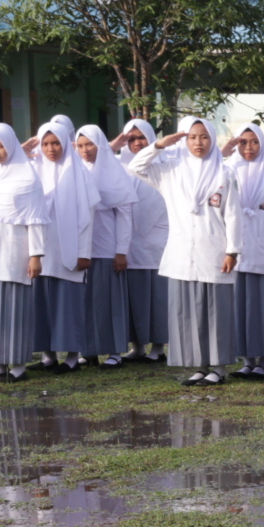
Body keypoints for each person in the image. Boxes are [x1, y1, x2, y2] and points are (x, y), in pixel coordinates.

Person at [127, 116, 244, 386]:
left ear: (212, 139)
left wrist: (232, 251)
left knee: (216, 312)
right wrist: (158, 145)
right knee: (188, 313)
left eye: (204, 137)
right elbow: (135, 167)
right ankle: (199, 365)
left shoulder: (223, 172)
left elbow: (234, 214)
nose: (198, 142)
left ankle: (218, 367)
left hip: (213, 251)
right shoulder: (171, 169)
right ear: (185, 140)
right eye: (192, 137)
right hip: (181, 254)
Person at [0, 124, 50, 382]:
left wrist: (36, 255)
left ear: (11, 144)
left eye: (0, 146)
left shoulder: (27, 179)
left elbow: (36, 219)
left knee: (14, 312)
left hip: (13, 254)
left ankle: (18, 367)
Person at [220, 124, 264, 380]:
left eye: (254, 142)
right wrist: (224, 152)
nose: (248, 148)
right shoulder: (229, 172)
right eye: (243, 143)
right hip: (236, 251)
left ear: (262, 144)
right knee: (241, 308)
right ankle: (247, 361)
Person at [27, 120, 97, 372]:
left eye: (55, 142)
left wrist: (84, 252)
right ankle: (48, 356)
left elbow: (88, 217)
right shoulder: (34, 171)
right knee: (42, 304)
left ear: (64, 143)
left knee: (67, 304)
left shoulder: (79, 173)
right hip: (41, 250)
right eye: (45, 144)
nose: (50, 149)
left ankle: (71, 358)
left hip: (69, 249)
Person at [73, 125, 135, 367]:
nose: (85, 150)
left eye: (90, 144)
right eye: (80, 145)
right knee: (86, 302)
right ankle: (88, 351)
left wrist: (121, 251)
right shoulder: (77, 173)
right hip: (83, 250)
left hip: (108, 250)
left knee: (110, 302)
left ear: (100, 145)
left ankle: (114, 352)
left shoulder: (115, 174)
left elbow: (125, 216)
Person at [113, 120, 172, 363]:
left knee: (157, 298)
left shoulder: (164, 166)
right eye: (131, 139)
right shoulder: (117, 167)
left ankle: (158, 347)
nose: (137, 143)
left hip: (158, 242)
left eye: (142, 138)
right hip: (127, 245)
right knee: (134, 298)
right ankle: (137, 346)